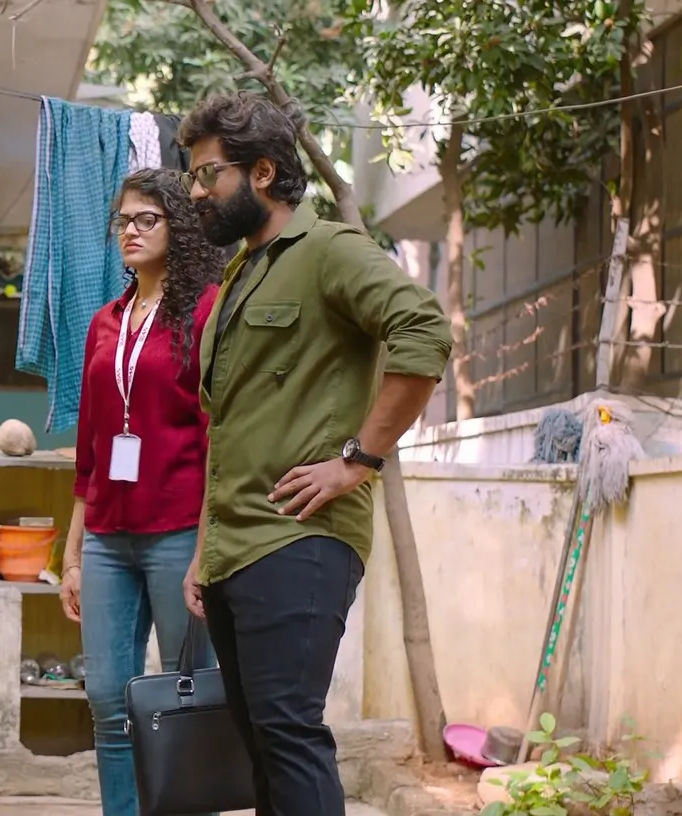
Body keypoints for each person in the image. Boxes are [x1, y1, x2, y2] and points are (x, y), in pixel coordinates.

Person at [176, 93, 452, 816]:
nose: (196, 192)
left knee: (288, 735)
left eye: (208, 174)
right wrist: (205, 549)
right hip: (234, 546)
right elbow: (229, 427)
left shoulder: (329, 249)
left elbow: (424, 329)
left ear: (263, 172)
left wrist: (359, 459)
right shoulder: (239, 275)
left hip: (299, 540)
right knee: (264, 747)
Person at [59, 167, 225, 815]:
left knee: (186, 698)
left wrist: (205, 552)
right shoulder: (106, 321)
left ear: (179, 227)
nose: (130, 230)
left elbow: (217, 438)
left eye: (146, 219)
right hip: (106, 535)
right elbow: (90, 446)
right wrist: (72, 555)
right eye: (123, 220)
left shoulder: (207, 310)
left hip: (179, 532)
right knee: (107, 698)